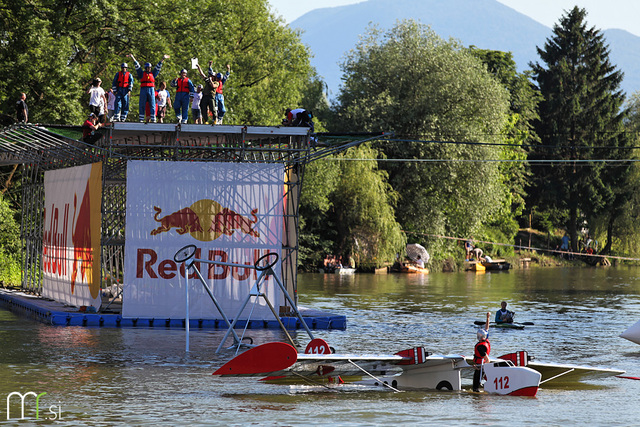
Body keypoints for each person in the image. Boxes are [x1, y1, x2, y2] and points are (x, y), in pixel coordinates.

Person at [131, 54, 168, 123]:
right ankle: (141, 118)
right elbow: (137, 67)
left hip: (151, 88)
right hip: (143, 88)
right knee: (142, 103)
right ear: (145, 68)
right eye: (148, 68)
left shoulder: (153, 73)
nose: (149, 69)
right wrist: (133, 58)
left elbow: (158, 67)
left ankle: (153, 117)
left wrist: (163, 59)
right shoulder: (142, 73)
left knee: (152, 103)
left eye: (150, 68)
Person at [473, 312, 491, 392]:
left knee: (475, 387)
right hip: (480, 365)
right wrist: (488, 318)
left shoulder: (481, 347)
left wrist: (480, 367)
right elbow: (487, 328)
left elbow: (487, 360)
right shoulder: (485, 341)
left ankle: (477, 397)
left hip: (480, 366)